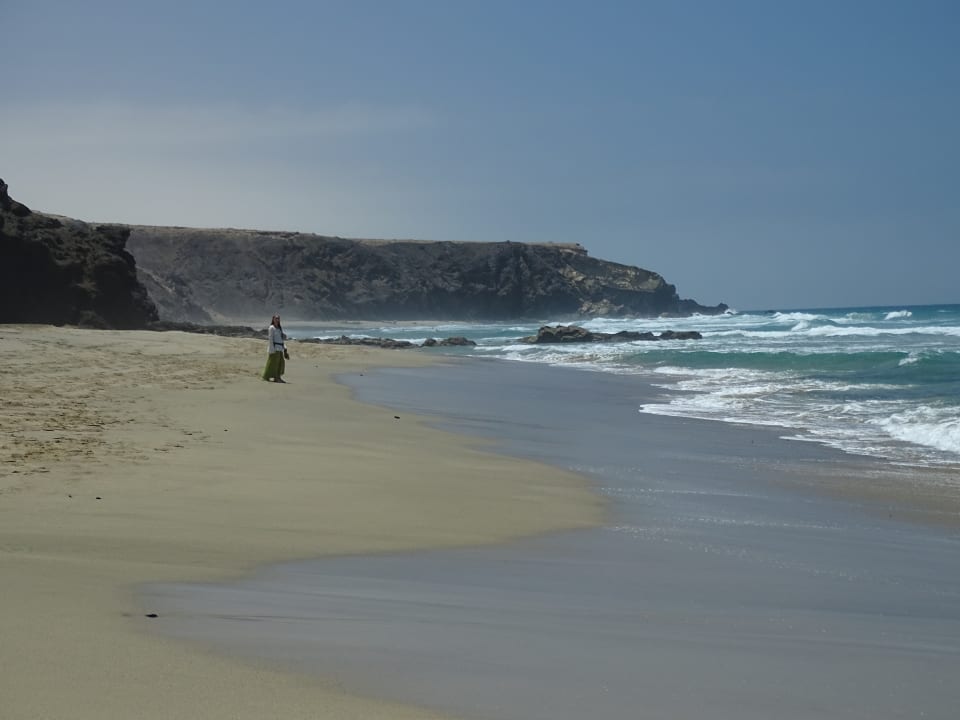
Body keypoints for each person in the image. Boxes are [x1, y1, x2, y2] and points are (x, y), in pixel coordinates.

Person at [262, 314, 287, 382]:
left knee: (280, 363)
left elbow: (281, 339)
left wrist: (285, 348)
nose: (277, 320)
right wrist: (271, 349)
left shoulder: (279, 328)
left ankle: (277, 377)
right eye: (276, 318)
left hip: (280, 348)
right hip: (274, 348)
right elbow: (270, 339)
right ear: (273, 319)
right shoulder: (271, 328)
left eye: (278, 318)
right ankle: (266, 376)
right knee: (272, 364)